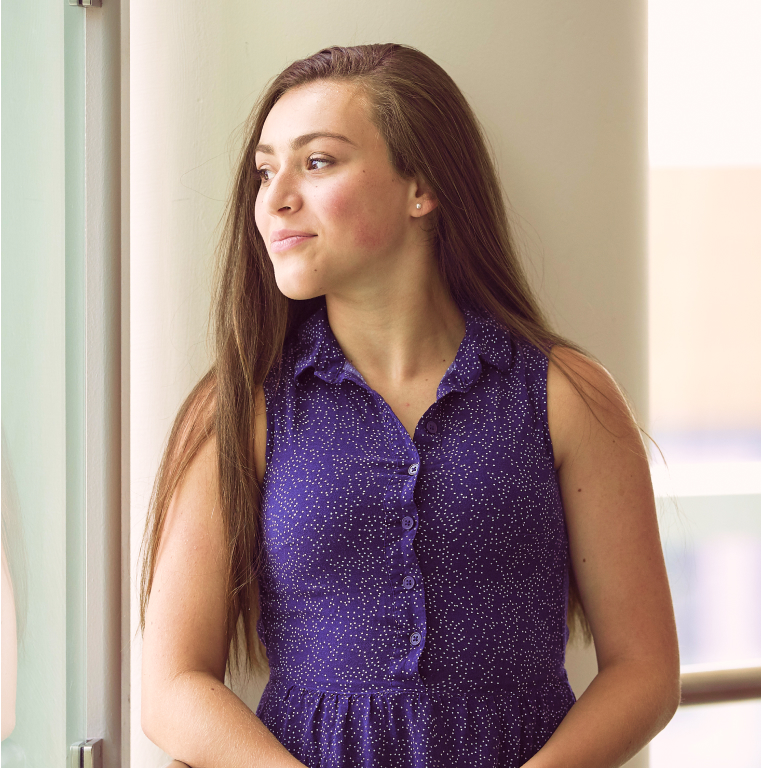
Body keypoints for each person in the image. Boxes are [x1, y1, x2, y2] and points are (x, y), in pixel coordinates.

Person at [139, 43, 680, 768]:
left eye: (318, 162)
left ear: (421, 186)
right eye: (266, 170)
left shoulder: (568, 396)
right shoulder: (239, 408)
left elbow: (645, 671)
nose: (274, 198)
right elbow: (170, 687)